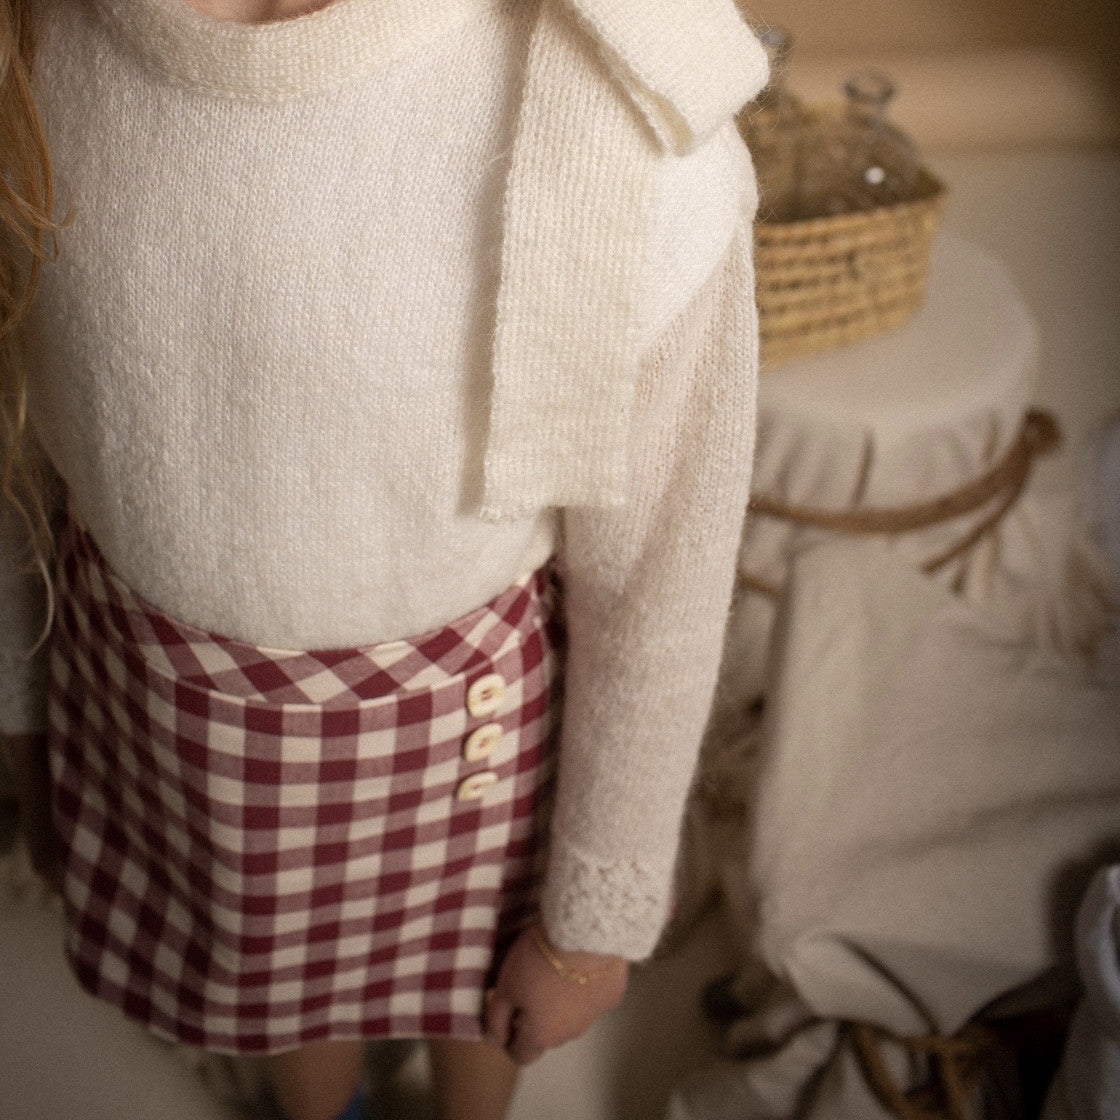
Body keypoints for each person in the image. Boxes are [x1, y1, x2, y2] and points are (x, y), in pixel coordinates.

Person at [0, 0, 767, 1117]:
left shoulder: (612, 115)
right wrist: (26, 714)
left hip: (468, 754)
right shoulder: (34, 48)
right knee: (278, 1002)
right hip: (167, 743)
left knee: (480, 1006)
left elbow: (658, 575)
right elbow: (16, 452)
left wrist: (585, 927)